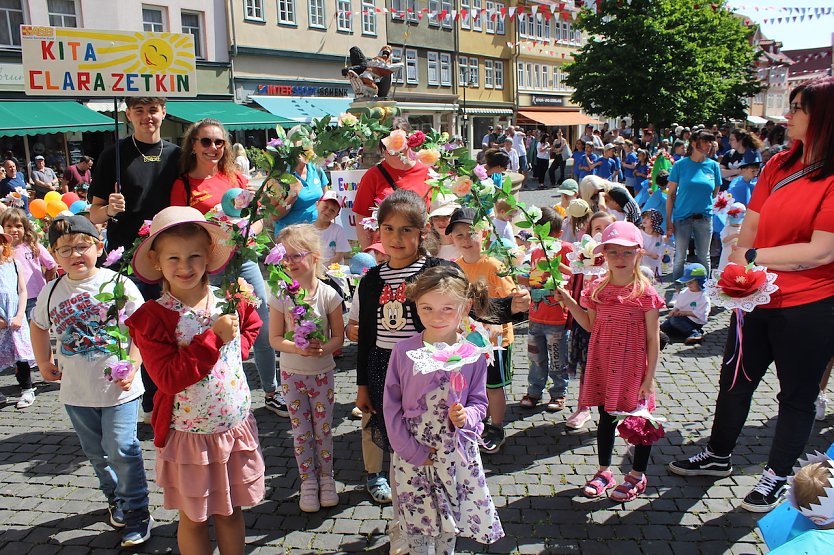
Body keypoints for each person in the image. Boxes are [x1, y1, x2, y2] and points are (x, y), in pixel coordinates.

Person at [668, 76, 834, 513]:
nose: (788, 114)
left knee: (796, 396)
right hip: (756, 298)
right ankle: (718, 454)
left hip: (810, 305)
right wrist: (744, 263)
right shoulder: (780, 164)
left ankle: (776, 476)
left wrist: (756, 255)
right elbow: (748, 230)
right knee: (735, 381)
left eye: (798, 107)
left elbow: (821, 250)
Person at [348, 189, 529, 511]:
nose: (396, 237)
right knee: (377, 420)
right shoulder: (372, 279)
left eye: (406, 229)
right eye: (388, 228)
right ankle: (376, 473)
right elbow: (366, 337)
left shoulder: (438, 270)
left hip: (429, 369)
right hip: (380, 364)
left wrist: (512, 308)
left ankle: (436, 488)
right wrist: (362, 383)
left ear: (423, 231)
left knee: (426, 429)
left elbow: (473, 308)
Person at [125, 206, 265, 553]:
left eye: (194, 257)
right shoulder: (153, 318)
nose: (185, 267)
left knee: (231, 512)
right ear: (157, 262)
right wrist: (214, 339)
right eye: (173, 258)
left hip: (233, 427)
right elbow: (169, 378)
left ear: (208, 257)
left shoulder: (230, 299)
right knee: (195, 517)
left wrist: (236, 352)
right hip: (190, 436)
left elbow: (251, 325)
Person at [30, 215, 151, 547]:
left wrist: (134, 362)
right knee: (97, 454)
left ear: (99, 246)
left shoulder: (118, 284)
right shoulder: (51, 291)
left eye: (82, 246)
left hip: (120, 390)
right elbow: (38, 325)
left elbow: (141, 327)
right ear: (54, 254)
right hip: (76, 393)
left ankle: (138, 511)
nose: (75, 254)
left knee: (122, 448)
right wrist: (43, 361)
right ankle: (116, 499)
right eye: (65, 249)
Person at [384, 266, 504, 555]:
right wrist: (411, 451)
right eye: (427, 308)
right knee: (417, 521)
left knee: (449, 524)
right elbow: (391, 407)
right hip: (415, 455)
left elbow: (478, 401)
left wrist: (468, 417)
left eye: (447, 308)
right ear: (416, 306)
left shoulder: (472, 354)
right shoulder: (403, 352)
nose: (437, 317)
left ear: (465, 307)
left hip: (454, 455)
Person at [169, 118, 284, 417]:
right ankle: (221, 389)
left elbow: (258, 219)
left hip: (243, 259)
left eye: (219, 142)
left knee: (261, 323)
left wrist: (247, 230)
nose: (213, 147)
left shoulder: (235, 179)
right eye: (206, 141)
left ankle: (271, 390)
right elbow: (180, 230)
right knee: (213, 327)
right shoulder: (183, 184)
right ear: (193, 145)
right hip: (209, 266)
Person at [556, 221, 664, 501]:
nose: (620, 259)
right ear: (604, 254)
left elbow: (654, 340)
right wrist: (569, 301)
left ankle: (637, 475)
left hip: (633, 369)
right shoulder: (597, 289)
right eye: (613, 252)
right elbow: (590, 325)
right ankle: (605, 470)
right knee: (606, 418)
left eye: (627, 253)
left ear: (639, 254)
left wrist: (648, 378)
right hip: (604, 363)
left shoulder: (646, 293)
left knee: (640, 423)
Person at [269, 224, 344, 512]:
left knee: (323, 430)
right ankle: (308, 481)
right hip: (291, 375)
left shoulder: (328, 294)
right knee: (301, 432)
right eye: (283, 258)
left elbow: (339, 336)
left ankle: (327, 478)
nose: (288, 263)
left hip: (322, 374)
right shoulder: (281, 294)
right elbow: (274, 338)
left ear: (314, 256)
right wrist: (297, 348)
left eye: (294, 256)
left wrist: (325, 348)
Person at [448, 207, 517, 454]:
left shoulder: (494, 266)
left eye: (471, 233)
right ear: (452, 239)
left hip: (495, 342)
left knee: (494, 385)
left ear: (484, 233)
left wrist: (496, 325)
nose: (466, 240)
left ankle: (497, 427)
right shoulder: (453, 268)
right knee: (470, 383)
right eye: (459, 235)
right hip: (466, 340)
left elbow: (512, 303)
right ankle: (478, 420)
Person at [519, 208, 574, 413]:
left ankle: (559, 392)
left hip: (557, 318)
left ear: (559, 234)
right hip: (536, 316)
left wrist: (557, 268)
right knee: (535, 358)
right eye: (540, 233)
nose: (545, 239)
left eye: (549, 234)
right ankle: (534, 391)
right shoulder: (534, 252)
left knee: (558, 359)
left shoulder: (566, 249)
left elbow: (575, 277)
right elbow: (533, 279)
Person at [353, 128, 432, 249]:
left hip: (418, 247)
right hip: (384, 250)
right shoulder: (372, 176)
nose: (395, 152)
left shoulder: (427, 172)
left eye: (399, 147)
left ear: (409, 144)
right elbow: (361, 216)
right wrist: (369, 252)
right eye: (389, 149)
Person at [666, 130, 722, 282]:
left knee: (704, 257)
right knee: (680, 257)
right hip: (682, 218)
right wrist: (669, 221)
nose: (708, 145)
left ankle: (703, 292)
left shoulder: (713, 166)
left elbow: (714, 192)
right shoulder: (680, 165)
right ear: (693, 143)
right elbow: (670, 195)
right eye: (705, 141)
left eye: (710, 141)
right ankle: (678, 292)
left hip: (704, 218)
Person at [0, 230, 36, 409]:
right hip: (0, 319)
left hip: (15, 317)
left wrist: (20, 315)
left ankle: (27, 388)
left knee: (21, 354)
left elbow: (22, 290)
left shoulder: (14, 264)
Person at [2, 207, 57, 321]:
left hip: (36, 296)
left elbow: (52, 265)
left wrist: (46, 282)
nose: (14, 230)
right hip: (15, 298)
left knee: (37, 326)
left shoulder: (32, 246)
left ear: (25, 228)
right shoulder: (3, 250)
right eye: (9, 226)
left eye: (18, 226)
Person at [272, 146, 329, 235]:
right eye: (300, 149)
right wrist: (293, 195)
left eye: (307, 148)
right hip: (290, 237)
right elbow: (274, 215)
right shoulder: (281, 175)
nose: (304, 152)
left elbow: (327, 201)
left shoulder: (317, 170)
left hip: (315, 234)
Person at [661, 262, 709, 345]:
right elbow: (679, 304)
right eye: (687, 282)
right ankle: (682, 332)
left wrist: (684, 313)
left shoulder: (703, 296)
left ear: (699, 282)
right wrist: (674, 310)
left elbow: (701, 313)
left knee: (675, 320)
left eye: (691, 282)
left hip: (695, 321)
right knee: (664, 326)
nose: (688, 285)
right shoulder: (684, 292)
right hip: (682, 318)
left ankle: (695, 333)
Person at [313, 191, 351, 266]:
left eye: (332, 210)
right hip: (313, 272)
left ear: (336, 215)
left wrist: (325, 271)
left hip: (332, 273)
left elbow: (339, 255)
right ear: (317, 204)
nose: (327, 211)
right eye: (325, 207)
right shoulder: (307, 230)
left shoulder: (338, 230)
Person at [424, 193, 460, 261]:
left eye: (447, 216)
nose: (441, 221)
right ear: (431, 220)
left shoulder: (467, 246)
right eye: (436, 216)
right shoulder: (427, 251)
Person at [718, 202, 746, 272]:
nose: (736, 224)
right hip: (727, 254)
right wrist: (735, 235)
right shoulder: (727, 228)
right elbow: (724, 240)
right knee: (725, 268)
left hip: (739, 254)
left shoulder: (744, 228)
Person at [640, 209, 665, 278]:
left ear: (655, 221)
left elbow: (658, 256)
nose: (644, 220)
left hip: (652, 267)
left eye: (648, 218)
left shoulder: (658, 237)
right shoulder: (639, 232)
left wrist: (648, 253)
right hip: (639, 266)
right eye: (644, 217)